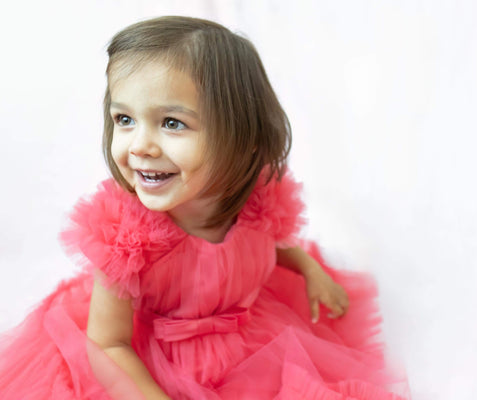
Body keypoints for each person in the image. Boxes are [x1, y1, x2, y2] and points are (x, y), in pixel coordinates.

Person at [0, 16, 410, 400]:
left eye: (172, 123)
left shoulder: (256, 201)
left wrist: (309, 269)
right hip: (149, 360)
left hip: (250, 342)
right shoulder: (126, 239)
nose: (140, 145)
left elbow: (266, 243)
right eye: (124, 119)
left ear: (244, 138)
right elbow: (108, 343)